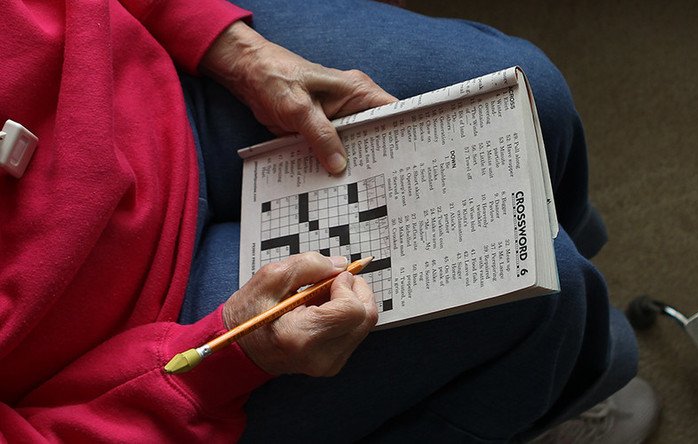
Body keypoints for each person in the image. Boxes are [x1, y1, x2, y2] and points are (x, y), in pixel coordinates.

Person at [0, 0, 657, 442]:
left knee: (527, 96)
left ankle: (550, 363)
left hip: (142, 70)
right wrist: (218, 367)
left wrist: (223, 37)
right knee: (545, 292)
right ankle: (551, 374)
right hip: (130, 345)